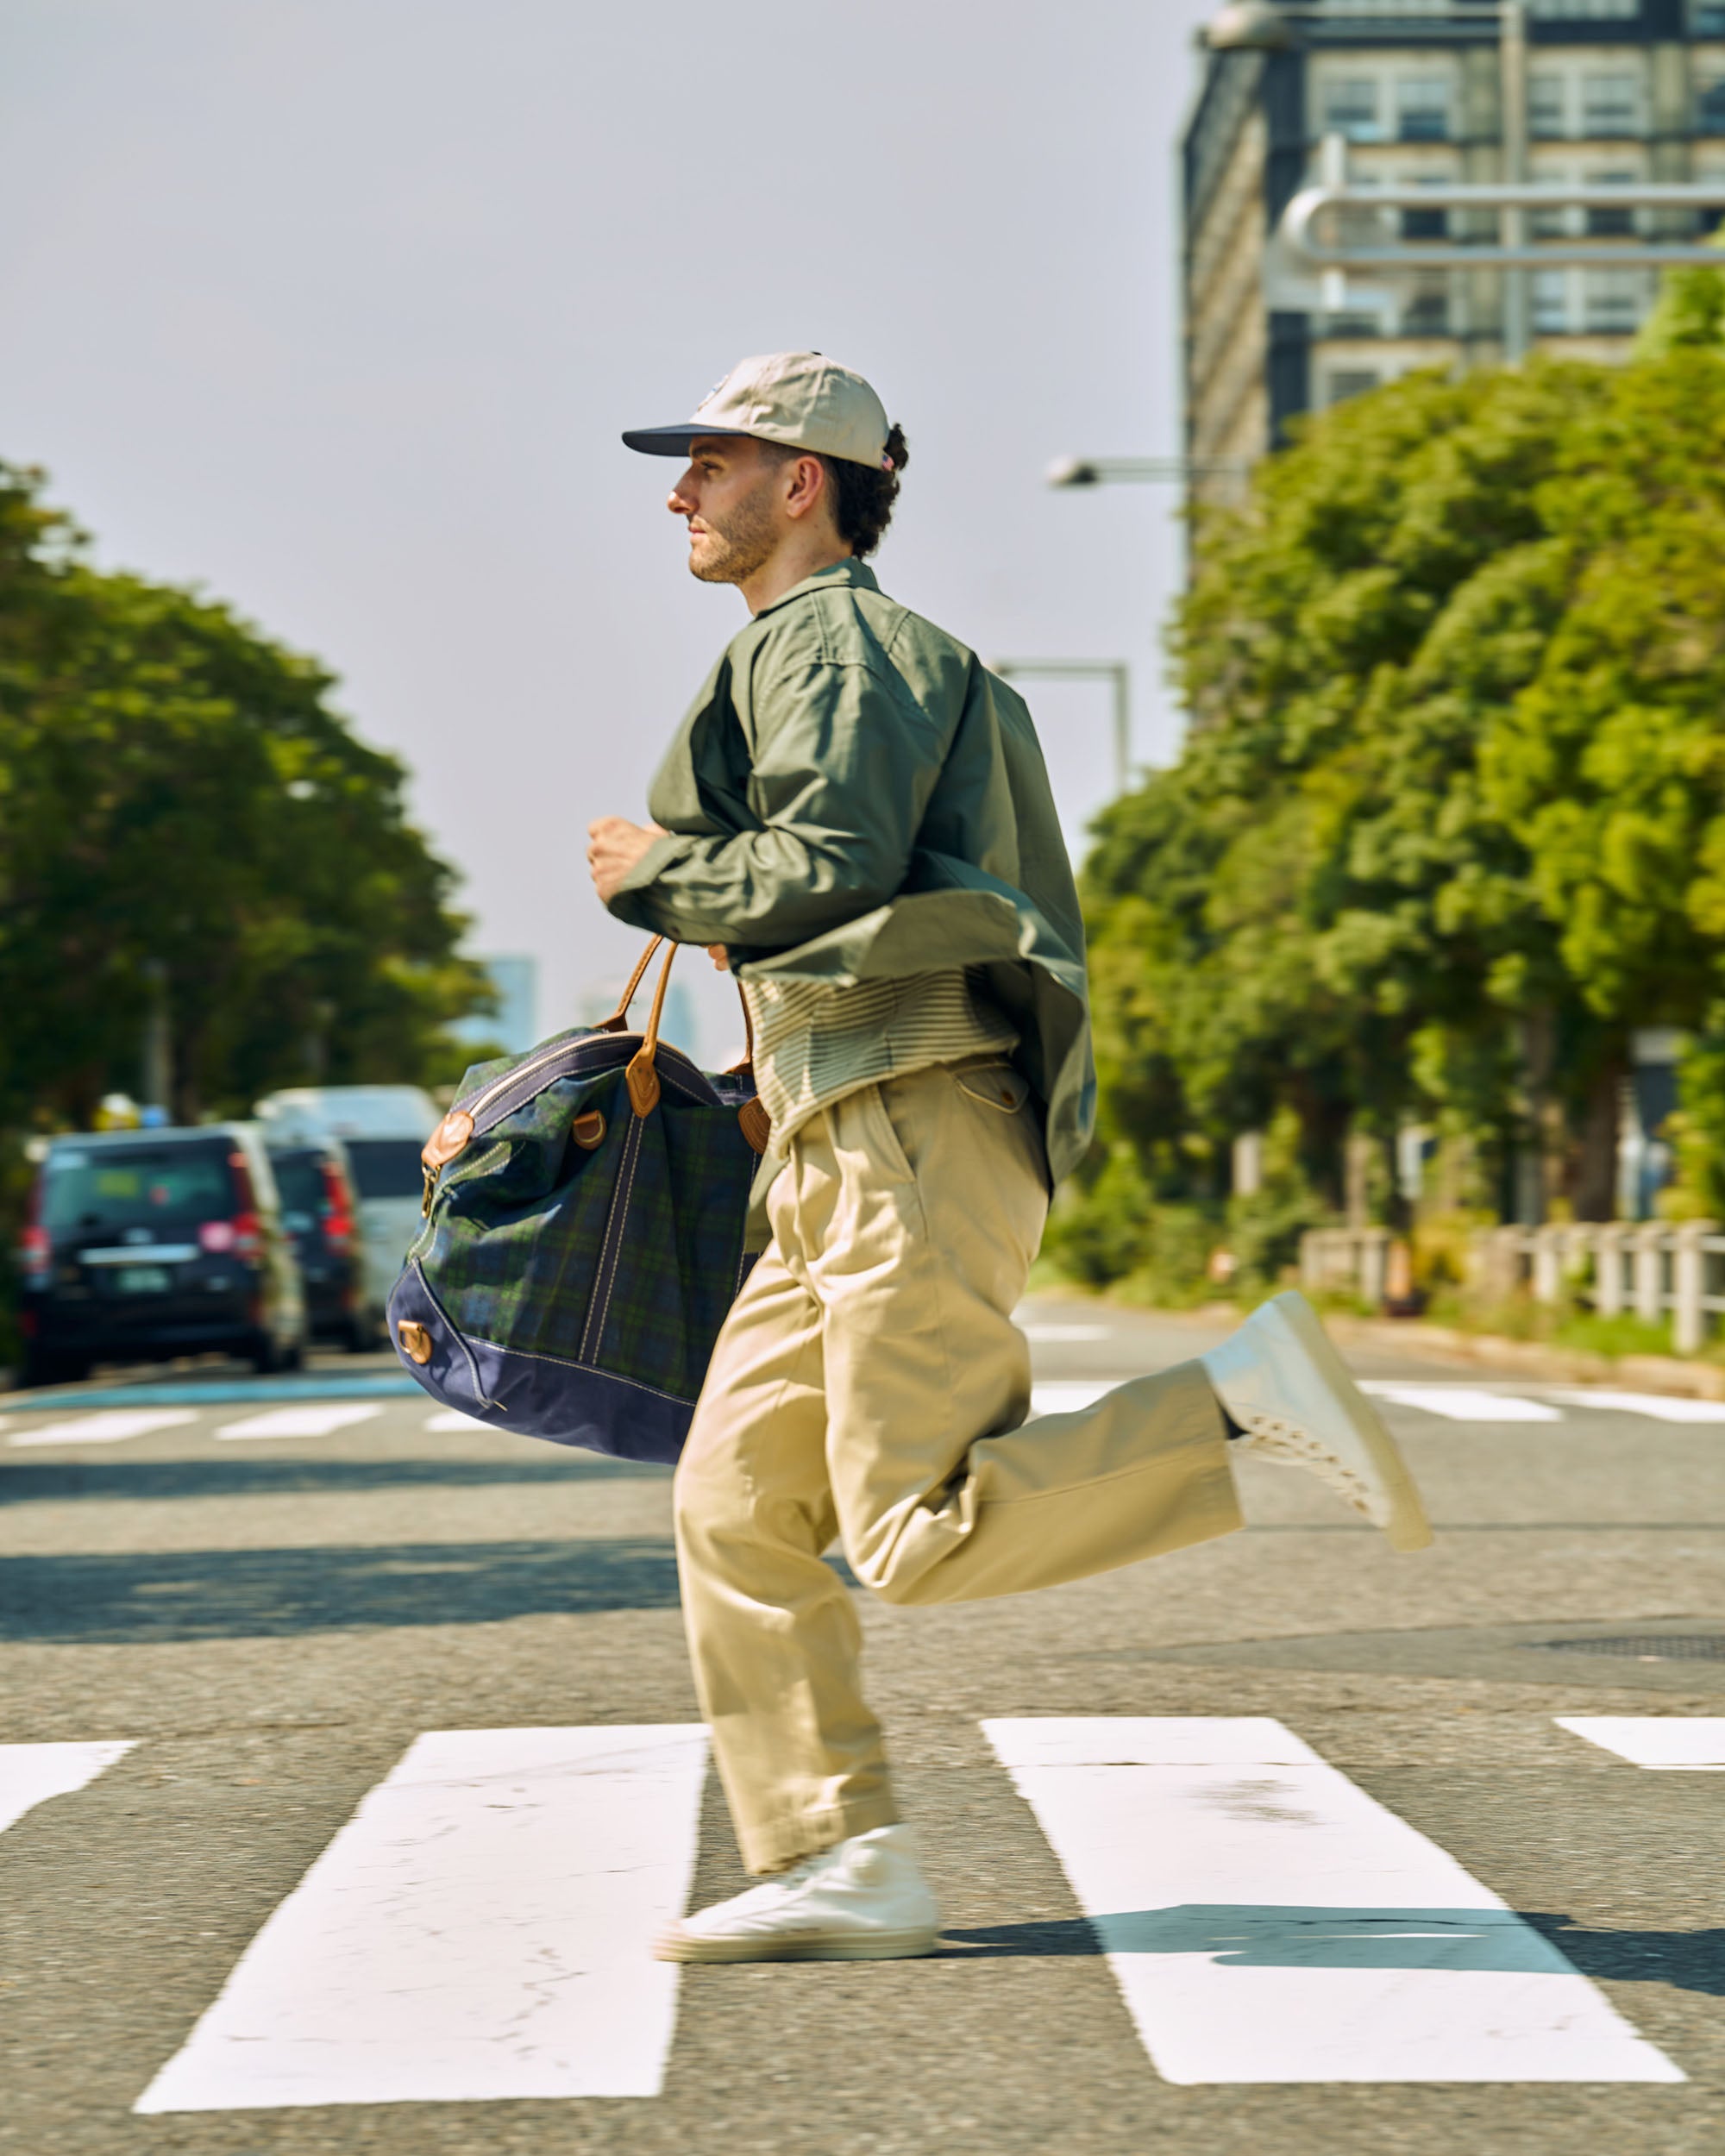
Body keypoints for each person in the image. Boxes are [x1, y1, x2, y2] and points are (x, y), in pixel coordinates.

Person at [586, 351, 1430, 1965]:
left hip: (914, 1119)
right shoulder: (803, 647)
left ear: (801, 482)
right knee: (736, 1510)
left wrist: (655, 873)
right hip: (837, 1144)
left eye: (711, 459)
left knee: (915, 1528)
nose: (681, 489)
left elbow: (828, 865)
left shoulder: (831, 644)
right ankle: (843, 1855)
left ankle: (1242, 1394)